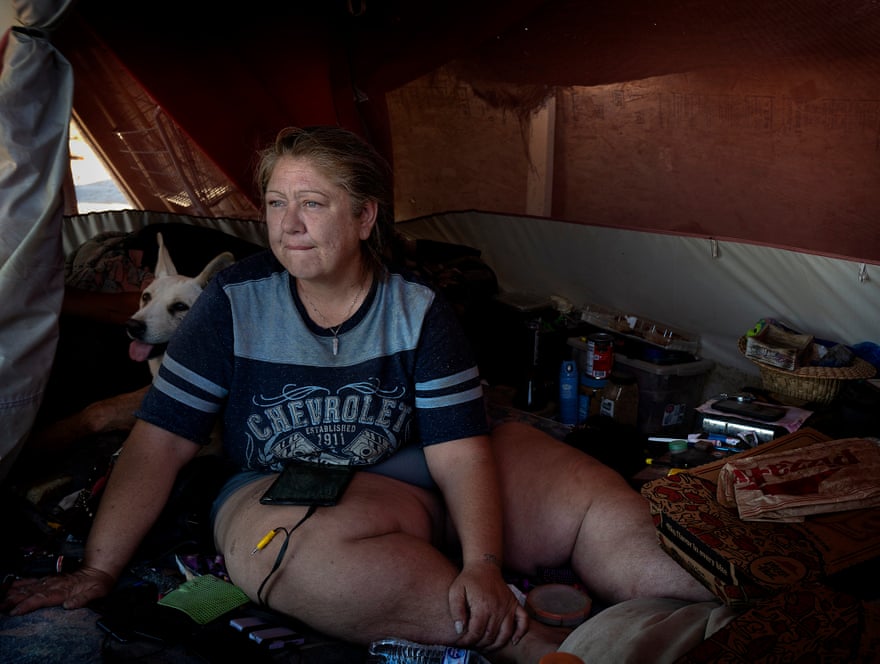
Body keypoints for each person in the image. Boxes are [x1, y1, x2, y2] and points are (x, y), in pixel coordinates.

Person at [2, 125, 713, 662]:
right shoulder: (232, 301)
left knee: (583, 491)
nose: (288, 225)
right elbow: (159, 442)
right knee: (298, 561)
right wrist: (98, 568)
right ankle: (540, 652)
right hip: (286, 485)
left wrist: (482, 563)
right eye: (278, 203)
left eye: (313, 203)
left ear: (365, 216)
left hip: (420, 468)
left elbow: (461, 455)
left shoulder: (418, 310)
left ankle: (722, 613)